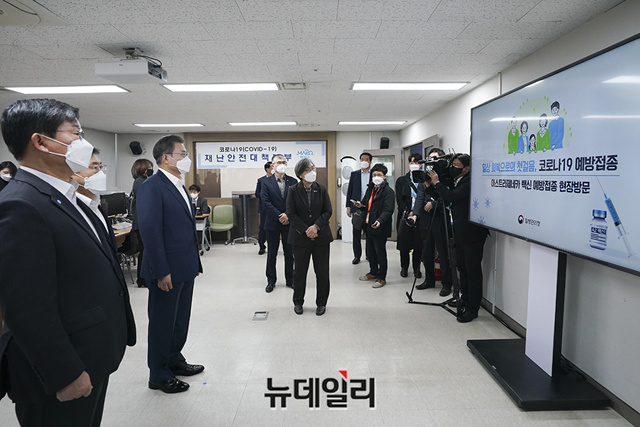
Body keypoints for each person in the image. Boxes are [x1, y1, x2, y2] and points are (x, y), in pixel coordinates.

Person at [0, 98, 136, 427]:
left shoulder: (69, 196)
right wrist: (64, 373)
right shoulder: (21, 205)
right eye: (75, 133)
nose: (83, 143)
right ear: (41, 141)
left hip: (90, 353)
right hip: (61, 371)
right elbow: (26, 307)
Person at [137, 135, 204, 394]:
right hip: (165, 270)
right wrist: (161, 271)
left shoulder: (179, 185)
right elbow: (151, 232)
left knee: (179, 320)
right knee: (163, 322)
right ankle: (159, 374)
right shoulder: (152, 187)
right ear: (166, 158)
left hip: (184, 266)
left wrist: (195, 263)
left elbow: (185, 228)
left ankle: (174, 359)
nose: (186, 158)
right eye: (182, 154)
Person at [428, 154, 489, 323]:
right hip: (461, 232)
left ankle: (473, 308)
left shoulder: (470, 182)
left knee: (472, 271)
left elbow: (452, 197)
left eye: (456, 165)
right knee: (463, 268)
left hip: (472, 233)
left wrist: (437, 182)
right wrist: (430, 185)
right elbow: (445, 198)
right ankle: (464, 299)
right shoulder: (458, 180)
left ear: (466, 168)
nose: (452, 168)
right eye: (452, 164)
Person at [287, 158, 333, 316]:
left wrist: (316, 227)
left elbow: (327, 211)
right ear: (300, 174)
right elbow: (291, 213)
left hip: (321, 237)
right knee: (300, 272)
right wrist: (306, 229)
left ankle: (321, 303)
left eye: (313, 168)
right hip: (300, 238)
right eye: (308, 169)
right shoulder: (293, 190)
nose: (313, 172)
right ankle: (298, 302)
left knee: (322, 272)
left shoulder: (322, 189)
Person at [409, 148, 453, 296]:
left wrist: (434, 203)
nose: (431, 161)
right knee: (426, 251)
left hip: (440, 218)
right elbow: (419, 198)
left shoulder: (446, 176)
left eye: (434, 158)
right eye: (429, 158)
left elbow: (447, 197)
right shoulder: (424, 177)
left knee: (443, 252)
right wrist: (415, 214)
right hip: (425, 219)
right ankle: (429, 279)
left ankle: (447, 283)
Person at [261, 154, 298, 293]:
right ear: (273, 166)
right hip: (272, 222)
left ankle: (290, 279)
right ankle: (271, 280)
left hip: (289, 222)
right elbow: (265, 202)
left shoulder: (293, 181)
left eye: (284, 162)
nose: (281, 164)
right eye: (279, 162)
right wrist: (279, 215)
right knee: (272, 253)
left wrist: (287, 215)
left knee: (290, 253)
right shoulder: (266, 182)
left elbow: (296, 201)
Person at [356, 163, 395, 288]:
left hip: (380, 226)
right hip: (369, 225)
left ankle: (381, 277)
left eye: (379, 175)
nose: (376, 177)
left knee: (380, 253)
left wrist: (380, 220)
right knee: (370, 252)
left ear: (384, 176)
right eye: (374, 175)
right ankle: (373, 272)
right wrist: (360, 205)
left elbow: (388, 210)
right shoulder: (371, 189)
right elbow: (366, 204)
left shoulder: (388, 192)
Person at [395, 153, 423, 279]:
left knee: (418, 245)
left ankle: (417, 269)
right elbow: (399, 199)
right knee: (404, 244)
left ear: (421, 164)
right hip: (405, 215)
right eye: (412, 162)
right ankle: (404, 268)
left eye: (417, 163)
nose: (414, 165)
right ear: (408, 164)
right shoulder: (401, 180)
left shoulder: (424, 179)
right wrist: (408, 212)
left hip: (420, 215)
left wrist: (416, 212)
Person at [130, 158, 154, 288]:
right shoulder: (140, 182)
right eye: (149, 167)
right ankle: (142, 279)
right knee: (144, 252)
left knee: (145, 251)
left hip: (142, 222)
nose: (151, 170)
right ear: (141, 168)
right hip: (142, 224)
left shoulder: (143, 181)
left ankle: (144, 278)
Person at [345, 152, 372, 264]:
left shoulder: (374, 175)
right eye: (362, 159)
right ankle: (357, 256)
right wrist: (348, 206)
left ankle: (369, 255)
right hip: (356, 207)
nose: (364, 161)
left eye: (366, 159)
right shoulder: (354, 174)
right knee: (356, 233)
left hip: (369, 208)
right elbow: (349, 191)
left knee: (369, 234)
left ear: (370, 161)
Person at [255, 161, 273, 255]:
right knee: (263, 228)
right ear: (267, 169)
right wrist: (265, 196)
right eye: (272, 167)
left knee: (276, 229)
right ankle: (262, 246)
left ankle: (273, 247)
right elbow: (257, 194)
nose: (274, 169)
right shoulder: (261, 180)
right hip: (264, 208)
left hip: (276, 209)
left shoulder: (278, 180)